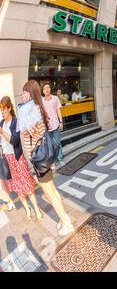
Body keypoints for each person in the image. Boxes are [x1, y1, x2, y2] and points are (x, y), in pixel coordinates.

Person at [21, 80, 74, 236]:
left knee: (49, 193)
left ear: (30, 93)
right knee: (52, 191)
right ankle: (65, 219)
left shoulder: (32, 110)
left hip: (40, 159)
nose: (23, 95)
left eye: (25, 92)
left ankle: (66, 222)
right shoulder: (36, 108)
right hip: (42, 158)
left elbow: (37, 132)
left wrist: (23, 111)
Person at [0, 96, 42, 220]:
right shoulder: (2, 123)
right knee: (18, 188)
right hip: (8, 160)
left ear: (9, 108)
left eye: (4, 109)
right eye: (1, 110)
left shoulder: (16, 122)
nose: (2, 112)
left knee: (27, 185)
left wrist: (2, 132)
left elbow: (16, 141)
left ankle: (36, 208)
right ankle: (28, 210)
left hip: (18, 159)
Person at [42, 82, 64, 168]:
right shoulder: (42, 101)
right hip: (47, 127)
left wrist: (61, 122)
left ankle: (60, 159)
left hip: (55, 124)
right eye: (45, 88)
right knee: (50, 145)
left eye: (48, 87)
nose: (46, 89)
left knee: (58, 143)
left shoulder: (55, 98)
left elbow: (59, 111)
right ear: (43, 91)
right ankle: (53, 161)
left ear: (50, 89)